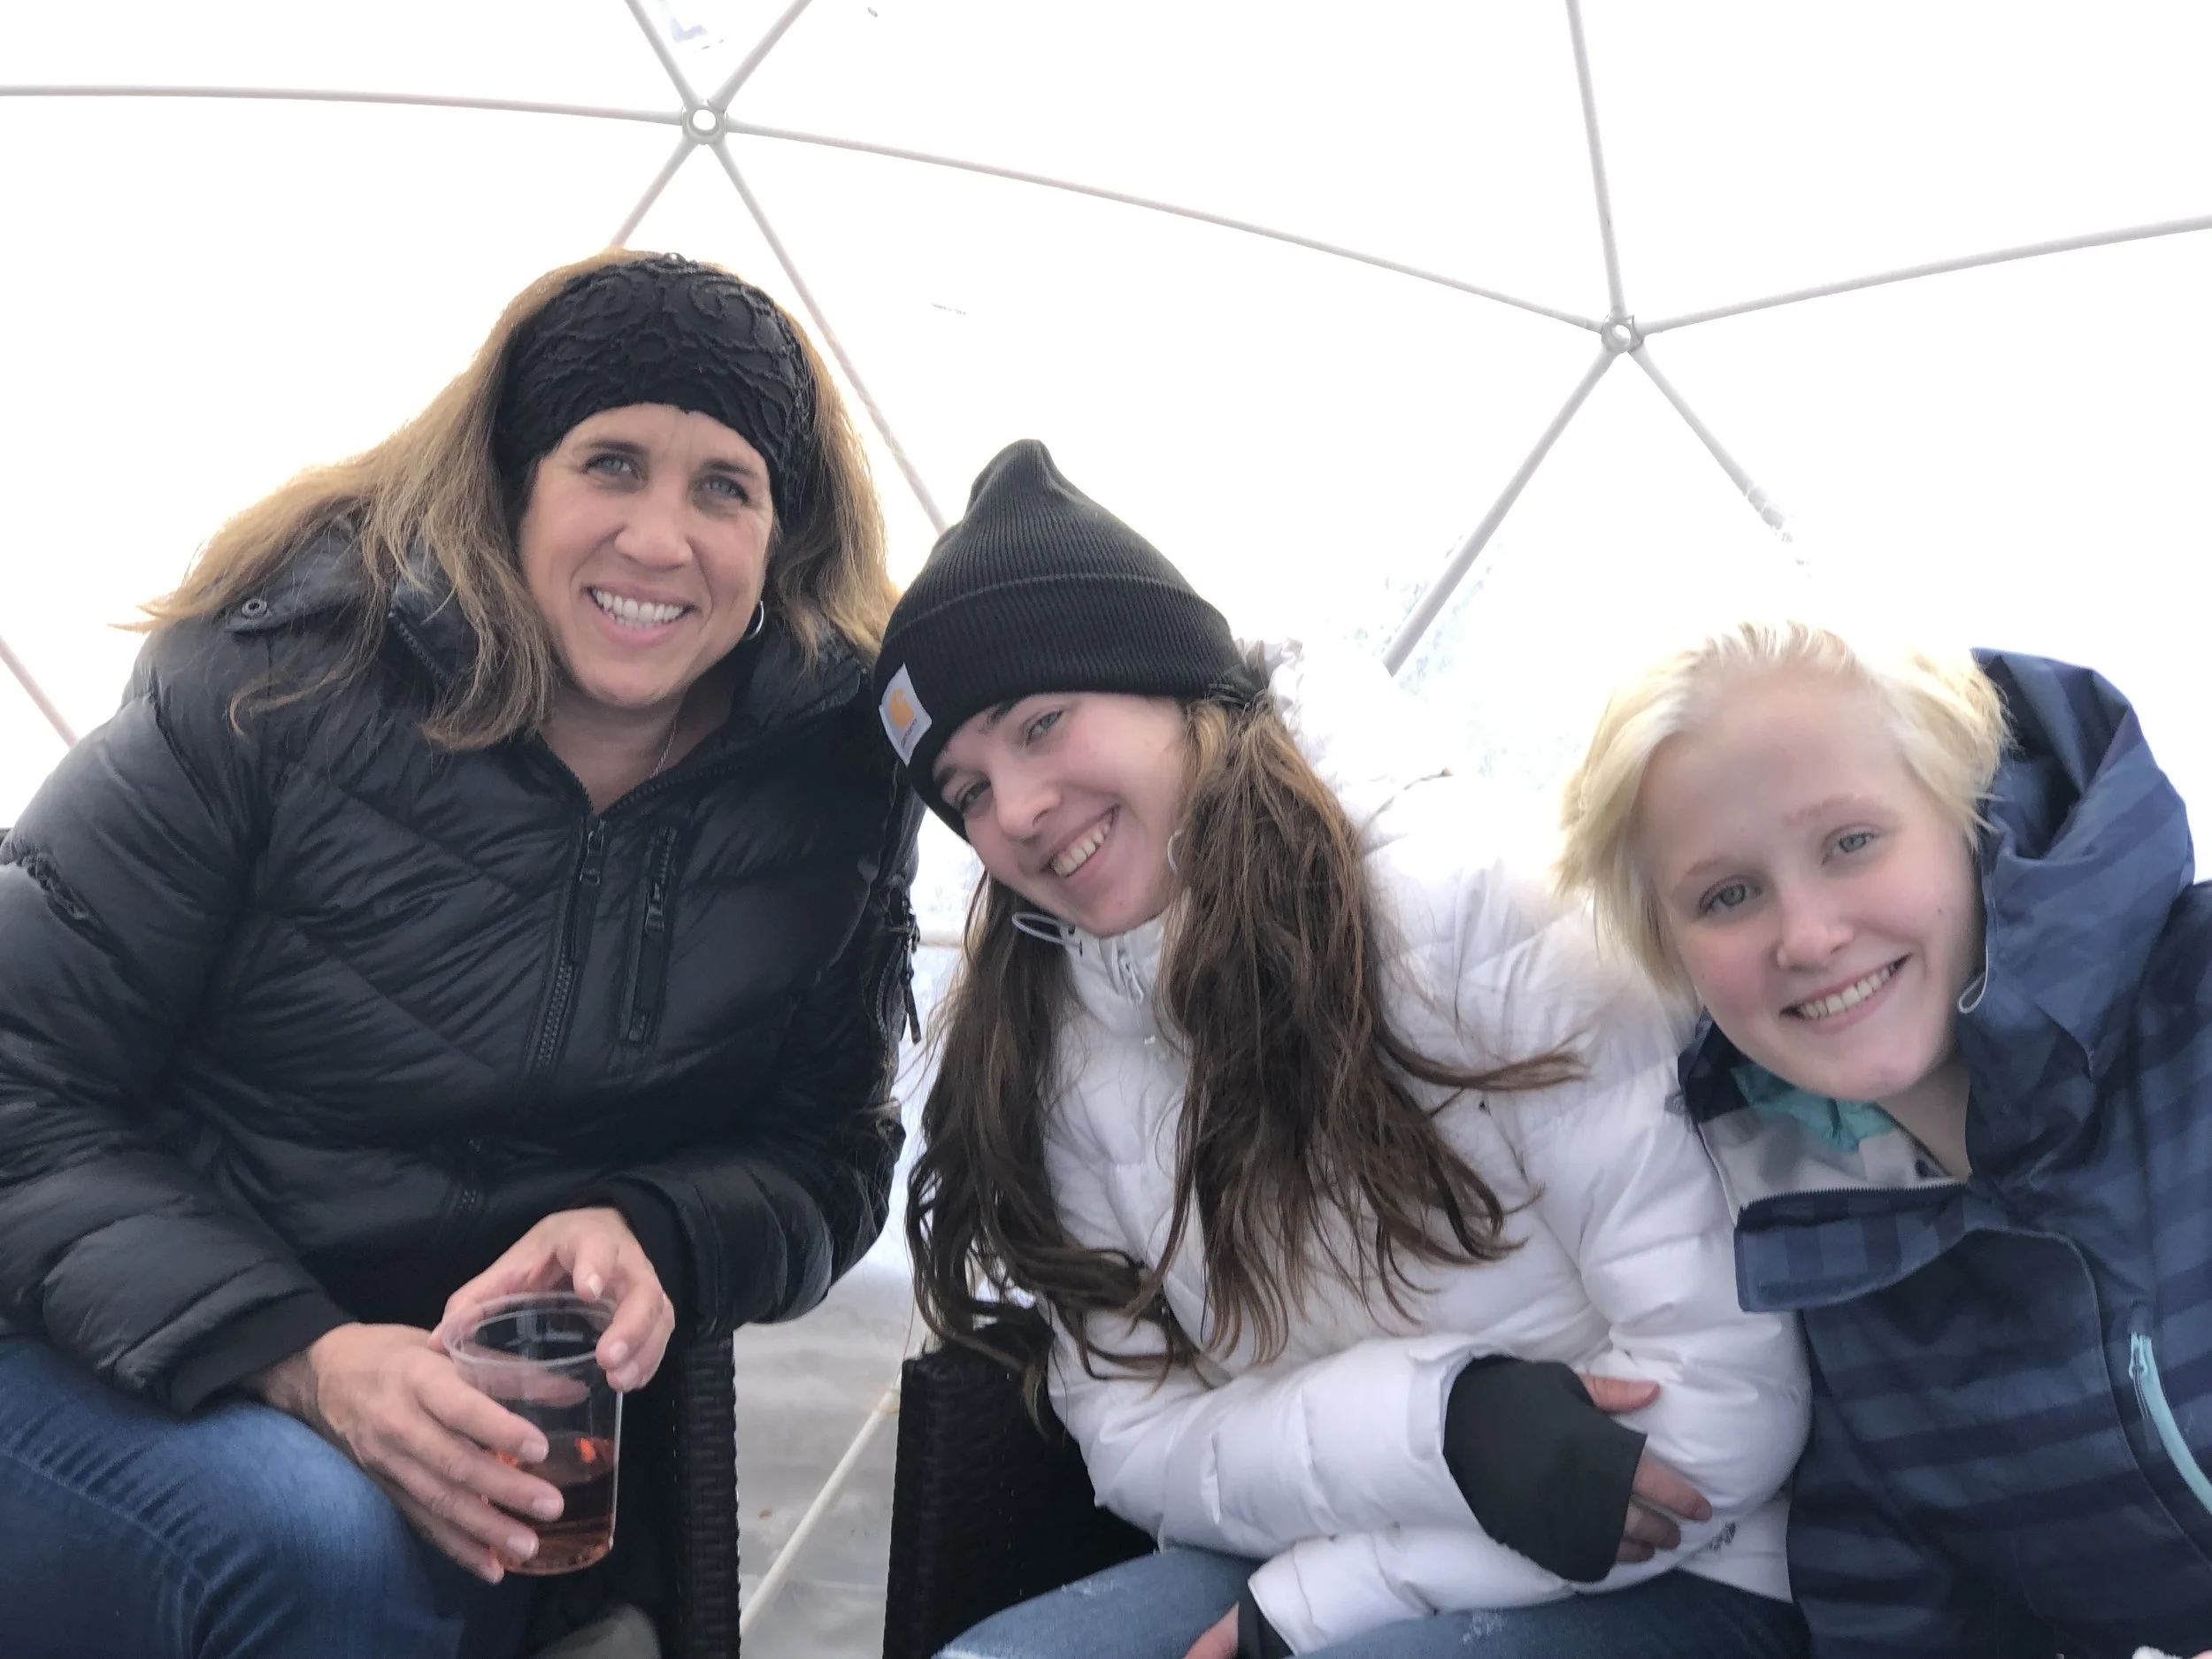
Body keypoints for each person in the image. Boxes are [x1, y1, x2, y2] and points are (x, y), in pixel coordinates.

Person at [0, 250, 922, 1659]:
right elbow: (20, 1078)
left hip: (468, 1429)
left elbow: (830, 1153)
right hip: (109, 1353)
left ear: (780, 533)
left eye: (723, 486)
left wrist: (654, 1225)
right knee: (314, 1544)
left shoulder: (831, 786)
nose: (660, 538)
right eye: (612, 463)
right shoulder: (275, 683)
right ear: (514, 484)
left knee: (436, 1561)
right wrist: (303, 1357)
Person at [872, 441, 1810, 1659]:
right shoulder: (1055, 1044)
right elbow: (1136, 1438)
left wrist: (1324, 1602)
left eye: (1042, 724)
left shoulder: (1487, 909)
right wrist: (1443, 1426)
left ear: (1173, 684)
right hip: (1313, 1535)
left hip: (1687, 1559)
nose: (1017, 811)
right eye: (966, 792)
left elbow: (1728, 1405)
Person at [1555, 618, 2212, 1656]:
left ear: (1967, 813)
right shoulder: (1829, 1276)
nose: (1808, 936)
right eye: (1728, 895)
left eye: (1850, 842)